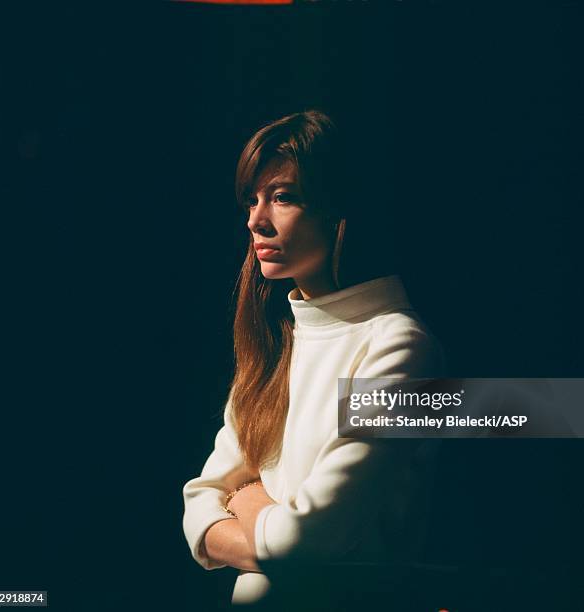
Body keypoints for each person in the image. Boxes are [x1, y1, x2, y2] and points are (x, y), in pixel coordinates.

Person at [182, 109, 446, 606]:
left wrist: (245, 499)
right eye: (252, 200)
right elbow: (197, 503)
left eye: (283, 197)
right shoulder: (276, 344)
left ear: (338, 209)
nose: (255, 220)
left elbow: (308, 542)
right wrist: (271, 530)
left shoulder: (399, 347)